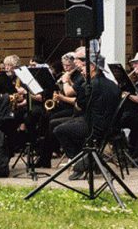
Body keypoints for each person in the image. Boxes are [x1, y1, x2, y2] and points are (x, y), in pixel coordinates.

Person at [54, 51, 120, 180]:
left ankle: (80, 163)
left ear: (92, 67)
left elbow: (79, 106)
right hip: (109, 126)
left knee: (59, 130)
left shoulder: (90, 85)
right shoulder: (112, 84)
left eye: (83, 67)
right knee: (66, 124)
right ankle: (89, 161)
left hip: (95, 127)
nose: (82, 71)